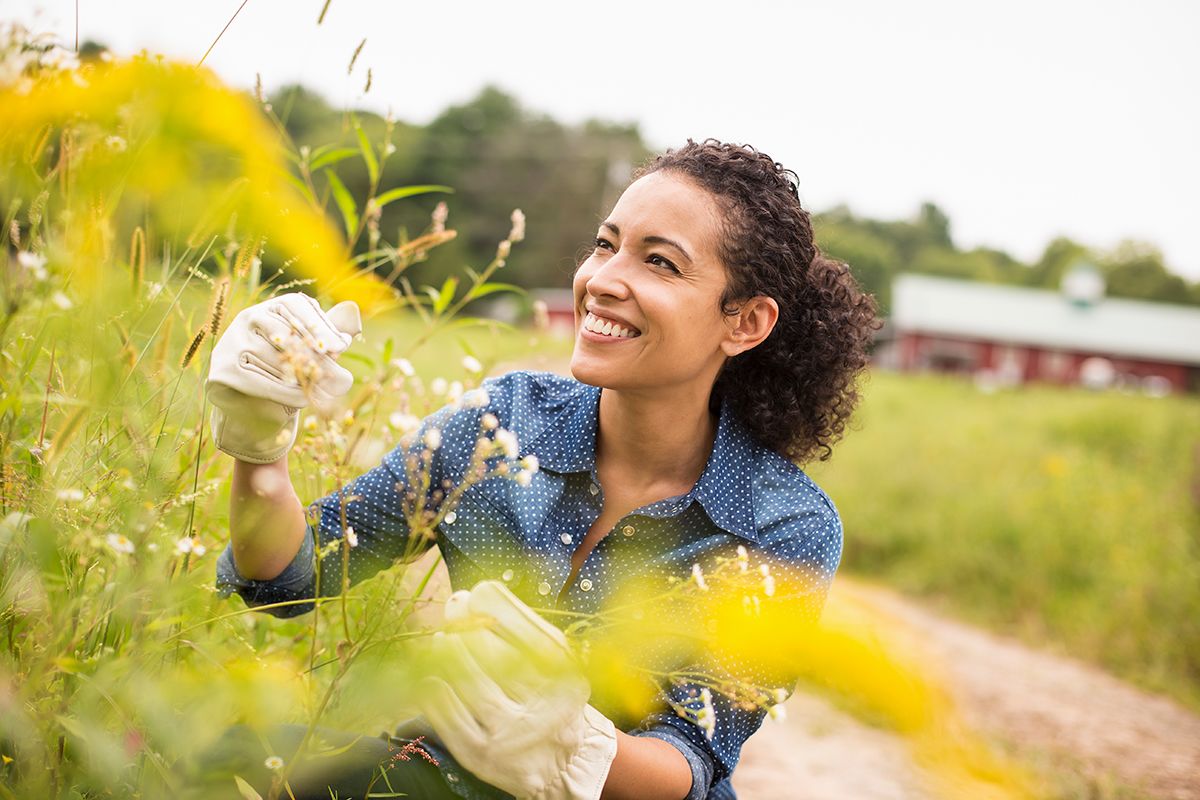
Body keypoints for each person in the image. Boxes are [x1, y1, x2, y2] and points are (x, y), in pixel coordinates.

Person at [202, 139, 878, 799]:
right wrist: (260, 450)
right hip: (438, 776)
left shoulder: (781, 525)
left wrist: (575, 748)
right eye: (606, 244)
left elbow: (691, 760)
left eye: (661, 264)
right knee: (213, 758)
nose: (603, 280)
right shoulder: (502, 422)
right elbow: (291, 580)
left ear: (746, 322)